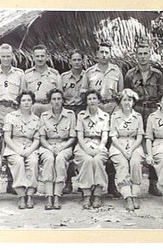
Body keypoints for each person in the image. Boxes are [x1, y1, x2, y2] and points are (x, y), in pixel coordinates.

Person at [82, 41, 124, 198]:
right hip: (95, 111)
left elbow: (121, 94)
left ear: (110, 54)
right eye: (101, 52)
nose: (104, 55)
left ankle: (112, 184)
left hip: (112, 110)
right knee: (91, 148)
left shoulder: (116, 71)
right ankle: (88, 185)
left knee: (110, 147)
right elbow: (84, 93)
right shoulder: (90, 72)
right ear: (97, 54)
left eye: (107, 52)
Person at [124, 42, 163, 197]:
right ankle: (132, 183)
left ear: (150, 55)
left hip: (152, 111)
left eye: (145, 53)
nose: (143, 57)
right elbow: (126, 96)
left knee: (153, 146)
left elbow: (162, 95)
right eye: (140, 53)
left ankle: (153, 183)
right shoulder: (130, 75)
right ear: (136, 56)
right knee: (134, 145)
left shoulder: (158, 75)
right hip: (136, 111)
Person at [0, 43, 25, 194]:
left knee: (12, 146)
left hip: (13, 110)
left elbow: (23, 95)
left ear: (12, 56)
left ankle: (11, 182)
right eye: (3, 56)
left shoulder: (19, 74)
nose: (6, 59)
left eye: (8, 56)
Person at [39, 89, 76, 210]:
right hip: (47, 145)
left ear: (63, 101)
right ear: (50, 101)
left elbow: (72, 137)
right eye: (54, 99)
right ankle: (49, 195)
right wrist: (49, 147)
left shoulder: (70, 115)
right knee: (49, 159)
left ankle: (57, 195)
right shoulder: (44, 116)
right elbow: (42, 137)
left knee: (60, 160)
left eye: (59, 99)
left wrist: (61, 147)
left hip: (64, 145)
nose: (56, 102)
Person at [3, 91, 40, 209]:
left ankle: (30, 195)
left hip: (30, 147)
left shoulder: (36, 119)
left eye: (29, 100)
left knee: (33, 162)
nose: (26, 103)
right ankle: (20, 195)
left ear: (32, 102)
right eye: (23, 100)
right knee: (18, 162)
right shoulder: (11, 117)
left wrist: (30, 150)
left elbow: (37, 139)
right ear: (19, 102)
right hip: (14, 146)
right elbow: (7, 138)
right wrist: (17, 150)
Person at [109, 89, 144, 211]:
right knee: (123, 165)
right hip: (119, 146)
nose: (127, 102)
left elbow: (140, 135)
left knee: (135, 163)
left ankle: (135, 194)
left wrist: (132, 149)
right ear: (120, 102)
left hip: (135, 145)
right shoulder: (115, 116)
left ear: (133, 102)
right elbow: (113, 136)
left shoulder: (138, 116)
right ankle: (127, 196)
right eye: (124, 100)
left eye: (129, 100)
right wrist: (123, 150)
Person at [74, 89, 109, 209]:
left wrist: (100, 148)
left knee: (98, 160)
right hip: (84, 144)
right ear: (86, 101)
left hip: (99, 143)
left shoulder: (104, 116)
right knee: (87, 160)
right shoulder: (81, 116)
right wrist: (87, 150)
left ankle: (98, 194)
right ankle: (87, 194)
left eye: (94, 98)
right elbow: (79, 136)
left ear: (99, 101)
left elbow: (104, 137)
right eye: (89, 99)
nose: (92, 101)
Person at [61, 49, 87, 194]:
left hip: (83, 111)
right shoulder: (63, 77)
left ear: (83, 61)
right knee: (69, 148)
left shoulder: (88, 76)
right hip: (69, 112)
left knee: (82, 148)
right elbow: (58, 96)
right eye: (74, 60)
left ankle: (84, 184)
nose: (77, 62)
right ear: (70, 61)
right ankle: (68, 181)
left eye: (79, 60)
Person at [23, 44, 62, 117]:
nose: (40, 59)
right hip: (32, 108)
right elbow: (23, 95)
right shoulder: (26, 75)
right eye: (37, 56)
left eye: (42, 56)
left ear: (47, 57)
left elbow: (60, 95)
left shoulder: (55, 74)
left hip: (49, 107)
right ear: (33, 57)